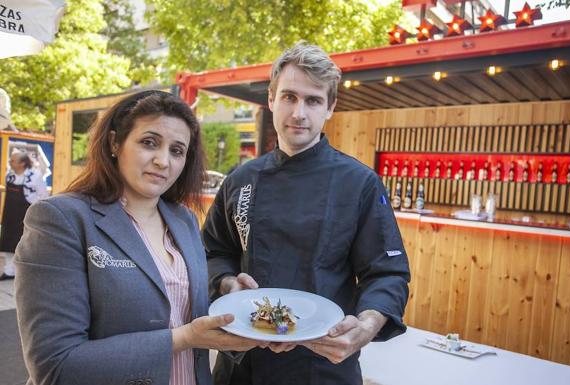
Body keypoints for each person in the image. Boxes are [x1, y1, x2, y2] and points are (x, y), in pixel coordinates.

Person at [15, 90, 265, 385]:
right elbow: (55, 366)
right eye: (149, 143)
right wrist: (182, 338)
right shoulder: (61, 219)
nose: (162, 161)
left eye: (177, 150)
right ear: (114, 143)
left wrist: (229, 297)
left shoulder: (183, 219)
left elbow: (179, 309)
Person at [203, 42, 411, 385]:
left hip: (321, 365)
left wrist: (366, 325)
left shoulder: (359, 184)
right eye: (289, 97)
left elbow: (387, 273)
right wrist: (226, 282)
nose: (299, 112)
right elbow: (213, 252)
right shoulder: (241, 180)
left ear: (330, 107)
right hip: (240, 366)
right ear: (271, 99)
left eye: (313, 100)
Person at [0, 151, 48, 280]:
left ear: (22, 163)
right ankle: (9, 271)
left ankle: (25, 271)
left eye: (12, 161)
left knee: (25, 242)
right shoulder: (9, 176)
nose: (10, 162)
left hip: (26, 214)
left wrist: (38, 214)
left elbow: (43, 196)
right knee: (8, 242)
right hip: (10, 214)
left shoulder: (35, 176)